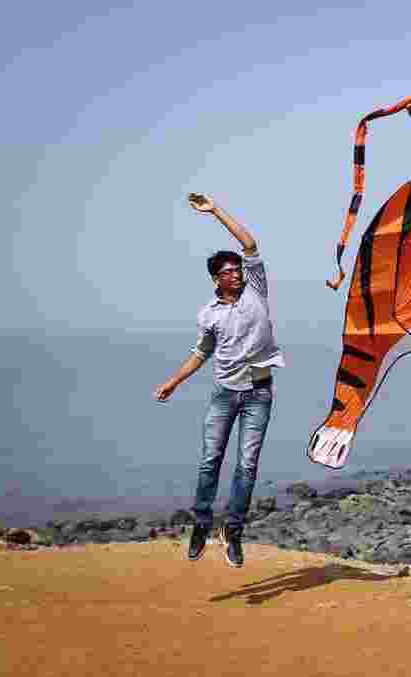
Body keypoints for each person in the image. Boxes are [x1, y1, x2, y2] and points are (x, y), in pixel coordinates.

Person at [154, 193, 285, 567]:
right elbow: (201, 352)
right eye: (228, 271)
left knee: (247, 465)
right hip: (224, 395)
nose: (236, 273)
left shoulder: (257, 290)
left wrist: (214, 212)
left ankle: (235, 531)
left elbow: (250, 243)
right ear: (216, 279)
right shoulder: (208, 314)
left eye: (237, 268)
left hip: (259, 394)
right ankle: (200, 522)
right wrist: (174, 382)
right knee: (210, 461)